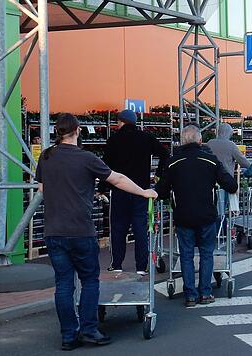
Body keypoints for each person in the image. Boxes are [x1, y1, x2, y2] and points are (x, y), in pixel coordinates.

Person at [36, 113, 158, 351]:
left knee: (63, 284)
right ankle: (89, 330)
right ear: (78, 131)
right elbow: (118, 179)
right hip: (81, 230)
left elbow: (42, 188)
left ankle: (68, 336)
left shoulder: (46, 157)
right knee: (89, 281)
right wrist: (144, 192)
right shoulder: (86, 158)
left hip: (54, 231)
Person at [155, 125, 238, 307]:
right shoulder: (210, 160)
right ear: (200, 140)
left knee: (186, 255)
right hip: (207, 215)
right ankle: (205, 293)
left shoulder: (172, 162)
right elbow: (231, 185)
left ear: (182, 140)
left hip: (183, 216)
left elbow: (161, 191)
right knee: (206, 254)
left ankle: (190, 295)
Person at [102, 109, 170, 275]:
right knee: (140, 229)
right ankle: (142, 266)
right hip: (141, 191)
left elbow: (105, 167)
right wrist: (158, 174)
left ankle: (117, 264)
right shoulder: (146, 138)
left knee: (118, 229)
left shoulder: (113, 140)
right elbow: (165, 154)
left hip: (119, 191)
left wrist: (102, 188)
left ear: (121, 122)